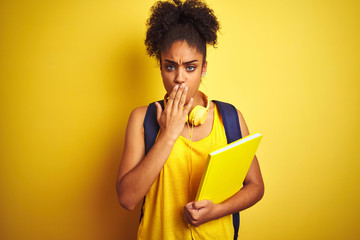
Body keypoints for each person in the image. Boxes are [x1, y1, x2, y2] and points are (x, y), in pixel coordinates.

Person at [116, 0, 264, 239]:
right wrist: (168, 134)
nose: (179, 78)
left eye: (191, 67)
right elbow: (127, 199)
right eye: (170, 67)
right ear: (160, 66)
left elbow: (256, 187)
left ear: (204, 67)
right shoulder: (141, 119)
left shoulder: (230, 118)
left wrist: (217, 211)